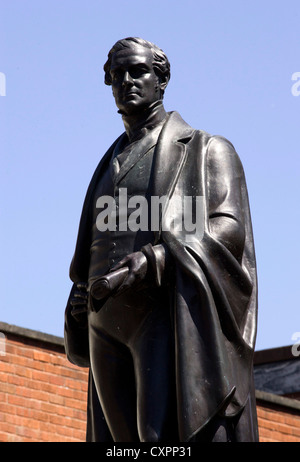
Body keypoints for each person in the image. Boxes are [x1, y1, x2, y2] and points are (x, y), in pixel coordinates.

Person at [64, 37, 259, 442]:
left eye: (138, 71)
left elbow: (228, 230)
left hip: (163, 316)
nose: (127, 81)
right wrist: (79, 297)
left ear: (162, 79)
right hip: (103, 324)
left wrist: (156, 259)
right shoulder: (107, 163)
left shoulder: (207, 150)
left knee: (160, 440)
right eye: (117, 75)